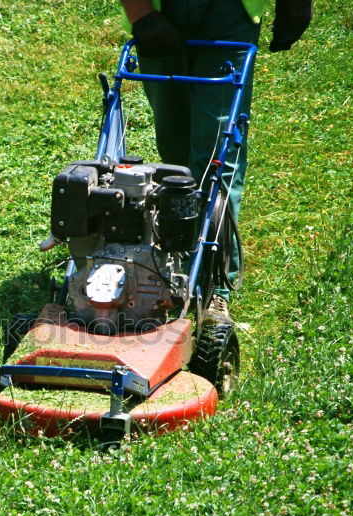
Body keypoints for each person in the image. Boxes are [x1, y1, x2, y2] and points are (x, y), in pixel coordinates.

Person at [118, 0, 312, 322]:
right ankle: (174, 259)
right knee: (175, 150)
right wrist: (140, 13)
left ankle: (214, 288)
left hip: (230, 11)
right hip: (160, 9)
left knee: (216, 155)